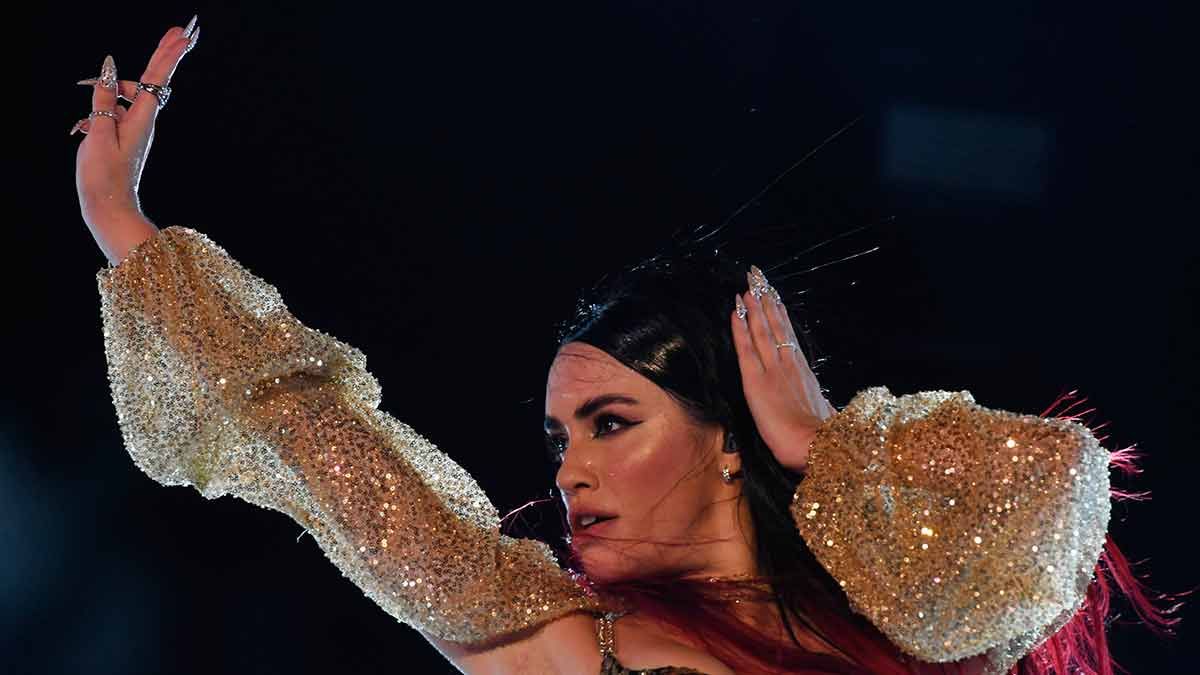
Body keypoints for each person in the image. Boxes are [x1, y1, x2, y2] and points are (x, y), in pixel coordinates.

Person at [73, 19, 1180, 675]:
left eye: (609, 422)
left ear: (730, 441)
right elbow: (321, 440)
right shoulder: (559, 642)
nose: (570, 471)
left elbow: (1058, 484)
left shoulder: (903, 609)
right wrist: (124, 226)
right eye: (561, 437)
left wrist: (828, 440)